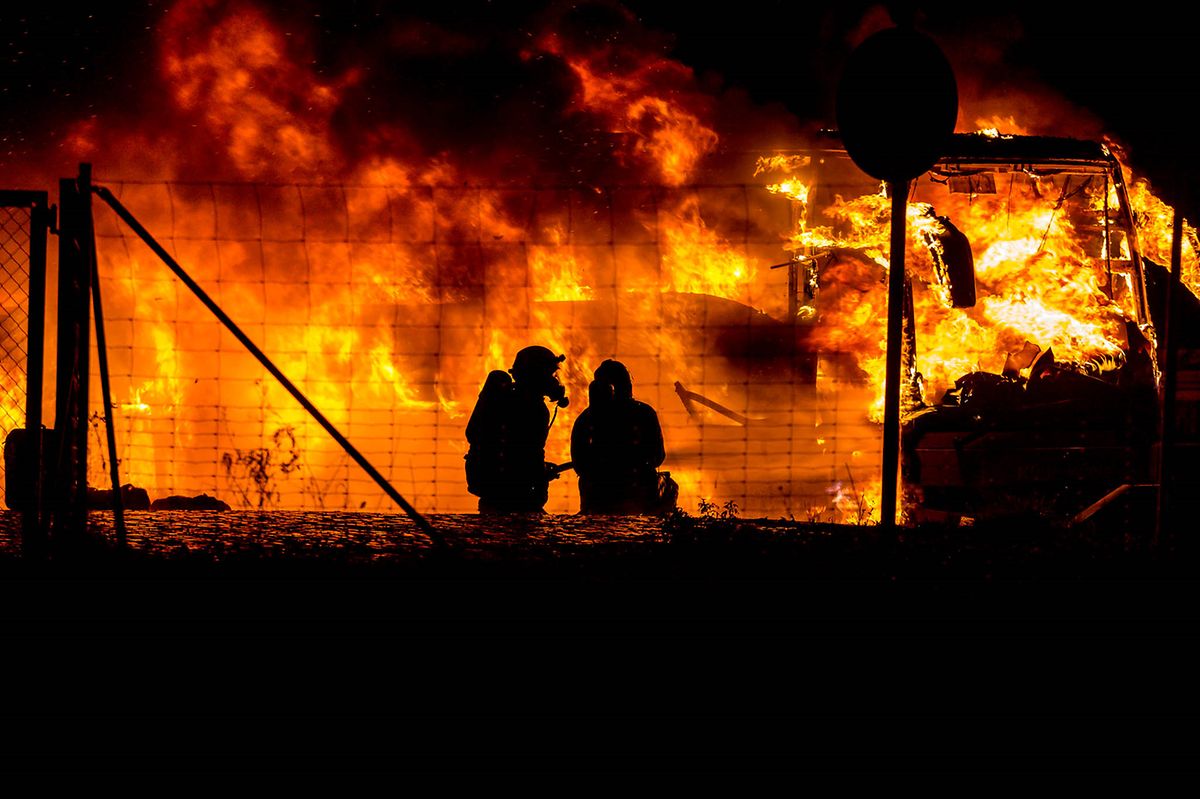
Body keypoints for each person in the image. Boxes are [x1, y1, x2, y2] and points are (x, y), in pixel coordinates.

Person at [464, 345, 569, 513]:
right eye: (550, 374)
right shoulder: (536, 409)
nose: (554, 380)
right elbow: (529, 454)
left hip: (491, 492)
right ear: (537, 376)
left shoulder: (502, 399)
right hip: (517, 498)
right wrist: (541, 475)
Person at [571, 359, 677, 514]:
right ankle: (655, 526)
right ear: (626, 386)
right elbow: (658, 456)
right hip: (637, 489)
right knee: (670, 487)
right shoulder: (644, 413)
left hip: (596, 494)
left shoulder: (585, 418)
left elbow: (579, 463)